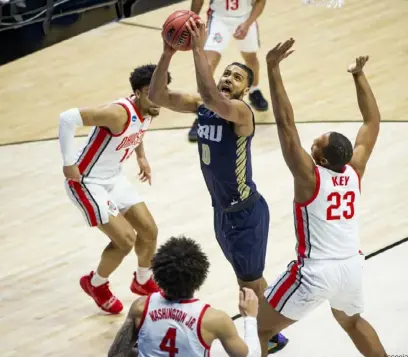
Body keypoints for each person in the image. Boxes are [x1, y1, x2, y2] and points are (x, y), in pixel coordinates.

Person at [148, 19, 288, 354]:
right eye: (226, 73)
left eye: (236, 77)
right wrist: (168, 53)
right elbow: (156, 95)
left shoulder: (241, 112)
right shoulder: (203, 107)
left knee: (247, 282)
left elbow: (210, 95)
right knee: (248, 279)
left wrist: (197, 47)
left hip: (245, 213)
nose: (228, 78)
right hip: (222, 211)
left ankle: (267, 337)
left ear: (244, 91)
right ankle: (271, 329)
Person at [256, 39, 387, 357]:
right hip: (351, 267)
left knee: (257, 328)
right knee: (353, 323)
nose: (311, 141)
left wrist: (272, 69)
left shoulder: (309, 177)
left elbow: (286, 125)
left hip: (316, 271)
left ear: (324, 160)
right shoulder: (354, 171)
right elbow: (372, 123)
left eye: (317, 143)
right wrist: (359, 75)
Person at [58, 64, 170, 314]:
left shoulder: (150, 108)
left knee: (149, 231)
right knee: (125, 240)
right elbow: (67, 118)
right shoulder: (117, 114)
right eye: (156, 92)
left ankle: (142, 281)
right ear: (139, 92)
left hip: (114, 177)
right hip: (86, 181)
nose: (161, 98)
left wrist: (141, 156)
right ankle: (96, 284)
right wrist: (68, 163)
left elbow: (139, 131)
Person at [107, 236, 262, 357]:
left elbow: (116, 354)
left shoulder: (141, 306)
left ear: (157, 273)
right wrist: (250, 317)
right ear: (200, 277)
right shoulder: (215, 320)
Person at [187, 0, 269, 142]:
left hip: (245, 17)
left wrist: (248, 24)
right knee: (207, 65)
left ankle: (254, 90)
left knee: (251, 59)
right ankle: (202, 113)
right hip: (219, 19)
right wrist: (191, 18)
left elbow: (261, 1)